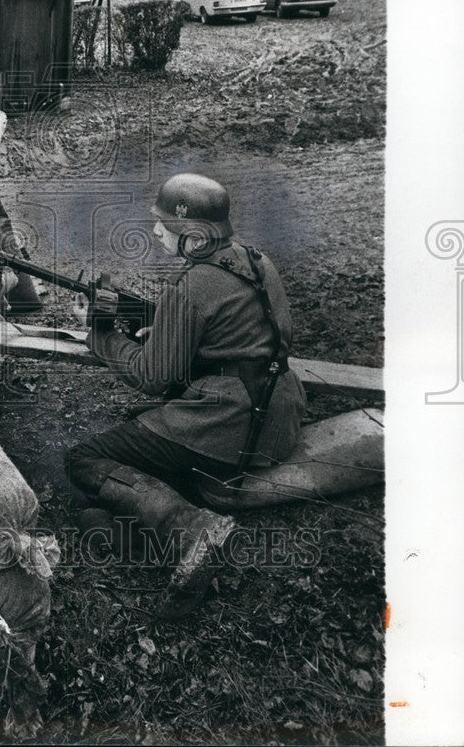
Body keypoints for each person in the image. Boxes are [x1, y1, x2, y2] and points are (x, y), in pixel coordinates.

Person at [66, 173, 307, 619]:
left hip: (232, 426)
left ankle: (194, 530)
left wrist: (97, 334)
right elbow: (250, 335)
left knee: (84, 459)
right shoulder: (257, 262)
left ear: (193, 237)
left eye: (164, 225)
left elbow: (151, 376)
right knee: (96, 518)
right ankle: (142, 527)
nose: (156, 231)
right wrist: (167, 332)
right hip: (281, 412)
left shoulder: (191, 286)